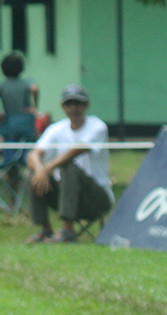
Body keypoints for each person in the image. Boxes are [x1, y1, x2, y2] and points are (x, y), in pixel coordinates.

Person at [26, 85, 114, 243]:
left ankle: (68, 230)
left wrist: (48, 167)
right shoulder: (56, 128)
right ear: (62, 106)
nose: (74, 108)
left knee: (69, 167)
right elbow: (34, 154)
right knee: (32, 175)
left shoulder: (97, 126)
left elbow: (77, 151)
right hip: (66, 194)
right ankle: (45, 229)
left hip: (96, 197)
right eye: (69, 104)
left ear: (86, 105)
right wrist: (40, 170)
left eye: (78, 103)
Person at [0, 52, 39, 123]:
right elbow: (34, 89)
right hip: (26, 119)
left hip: (9, 119)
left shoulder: (2, 85)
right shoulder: (26, 82)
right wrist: (34, 106)